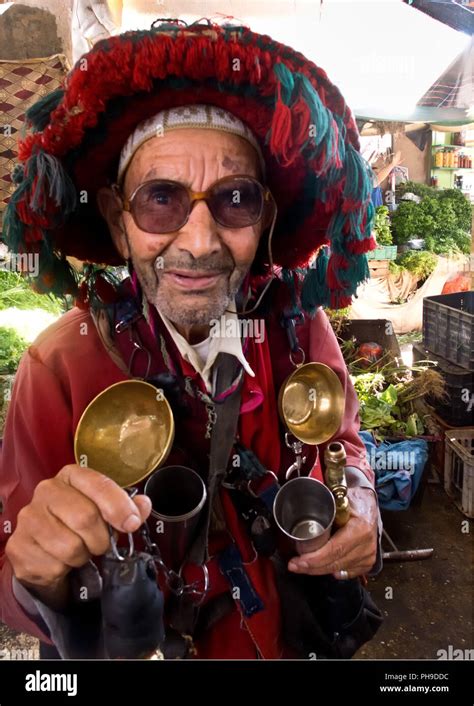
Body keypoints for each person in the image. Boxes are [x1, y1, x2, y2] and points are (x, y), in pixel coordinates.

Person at [0, 19, 380, 660]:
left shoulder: (297, 327)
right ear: (120, 226)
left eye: (235, 199)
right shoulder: (61, 364)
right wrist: (40, 573)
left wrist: (363, 505)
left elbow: (344, 443)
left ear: (264, 221)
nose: (200, 243)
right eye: (161, 200)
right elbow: (14, 572)